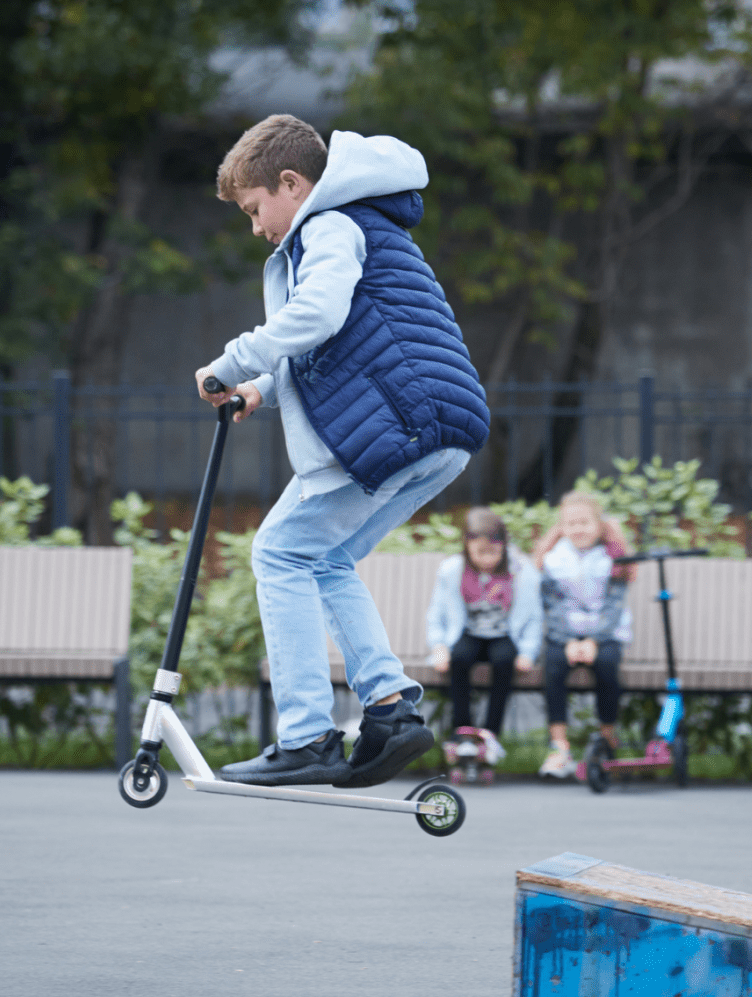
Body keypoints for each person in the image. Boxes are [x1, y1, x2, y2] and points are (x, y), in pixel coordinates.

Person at [198, 114, 490, 788]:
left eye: (254, 208)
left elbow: (316, 317)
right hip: (435, 428)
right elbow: (338, 340)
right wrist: (258, 390)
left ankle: (305, 736)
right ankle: (389, 710)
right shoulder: (363, 222)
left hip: (399, 424)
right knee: (324, 558)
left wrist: (231, 359)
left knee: (278, 552)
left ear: (292, 184)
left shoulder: (329, 225)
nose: (255, 227)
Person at [425, 508, 541, 774]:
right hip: (468, 633)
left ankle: (490, 733)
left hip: (503, 634)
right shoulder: (453, 570)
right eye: (480, 553)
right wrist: (439, 647)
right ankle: (463, 732)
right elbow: (436, 613)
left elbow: (534, 616)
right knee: (460, 658)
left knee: (504, 661)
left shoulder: (521, 571)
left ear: (504, 547)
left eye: (493, 553)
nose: (487, 559)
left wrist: (528, 652)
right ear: (467, 548)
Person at [534, 492, 633, 778]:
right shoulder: (552, 560)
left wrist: (593, 641)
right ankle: (559, 746)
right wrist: (567, 641)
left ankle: (607, 737)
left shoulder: (615, 558)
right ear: (562, 527)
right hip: (563, 635)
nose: (578, 529)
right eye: (571, 523)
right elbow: (551, 605)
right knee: (552, 668)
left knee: (607, 665)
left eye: (585, 522)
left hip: (604, 634)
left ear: (599, 525)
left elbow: (614, 605)